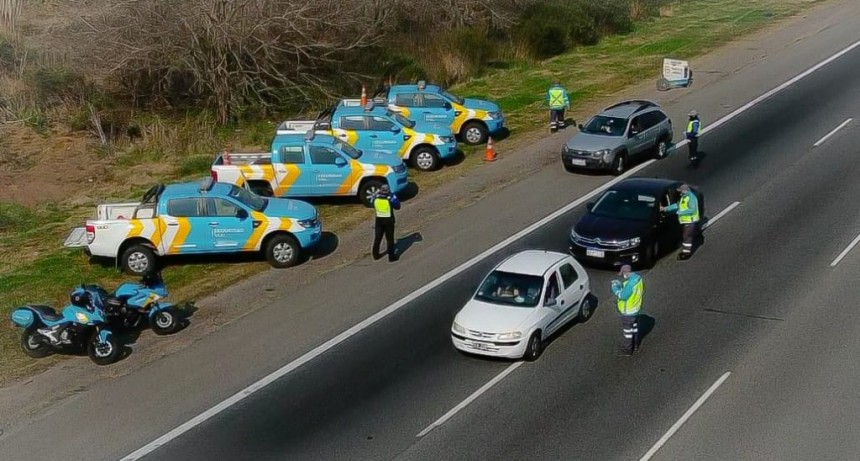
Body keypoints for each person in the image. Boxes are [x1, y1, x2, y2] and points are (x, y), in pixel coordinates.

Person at [661, 183, 700, 260]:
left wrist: (680, 212)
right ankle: (685, 251)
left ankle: (686, 253)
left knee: (687, 237)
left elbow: (692, 209)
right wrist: (665, 208)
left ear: (685, 191)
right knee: (685, 236)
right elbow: (677, 205)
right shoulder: (684, 197)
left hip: (690, 221)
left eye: (681, 191)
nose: (680, 193)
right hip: (686, 221)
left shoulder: (691, 198)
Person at [611, 265, 643, 356]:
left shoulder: (630, 284)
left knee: (628, 332)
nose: (623, 276)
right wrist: (620, 285)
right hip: (636, 310)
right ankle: (635, 345)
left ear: (625, 273)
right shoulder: (638, 279)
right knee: (635, 329)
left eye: (623, 274)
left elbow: (623, 296)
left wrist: (615, 288)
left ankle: (627, 350)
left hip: (628, 312)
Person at [372, 184, 400, 262]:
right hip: (389, 221)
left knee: (377, 238)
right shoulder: (390, 197)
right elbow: (397, 206)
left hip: (379, 220)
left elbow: (372, 204)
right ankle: (391, 257)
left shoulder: (375, 197)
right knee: (390, 239)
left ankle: (375, 255)